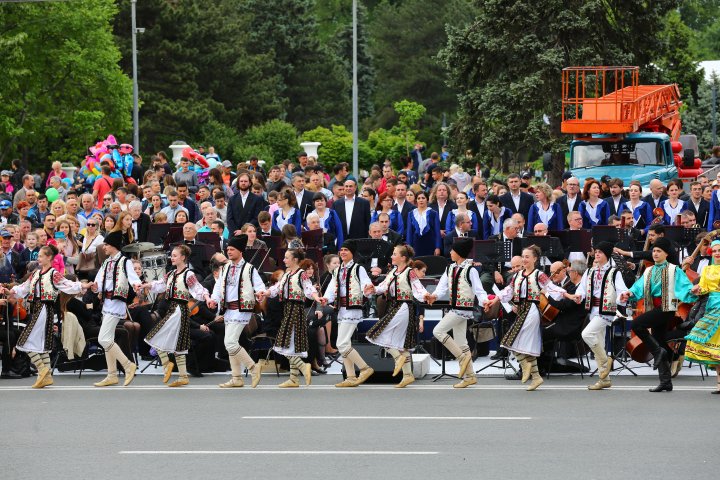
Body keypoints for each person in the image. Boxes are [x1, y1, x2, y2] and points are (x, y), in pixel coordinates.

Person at [619, 237, 697, 392]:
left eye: (658, 251)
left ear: (666, 254)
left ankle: (657, 352)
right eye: (654, 250)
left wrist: (692, 291)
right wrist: (629, 293)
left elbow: (685, 287)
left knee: (636, 324)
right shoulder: (648, 270)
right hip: (652, 307)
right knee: (660, 342)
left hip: (666, 307)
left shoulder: (674, 270)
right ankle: (666, 381)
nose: (655, 253)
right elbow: (638, 287)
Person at [0, 245, 83, 388]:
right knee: (41, 344)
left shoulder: (53, 274)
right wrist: (10, 291)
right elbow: (24, 287)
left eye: (40, 256)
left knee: (23, 341)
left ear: (49, 257)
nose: (38, 258)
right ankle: (47, 376)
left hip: (45, 308)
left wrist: (84, 286)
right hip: (38, 309)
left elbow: (68, 285)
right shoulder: (36, 274)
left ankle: (42, 369)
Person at [486, 245, 567, 391]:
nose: (524, 259)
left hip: (532, 310)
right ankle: (535, 377)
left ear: (535, 259)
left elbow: (551, 288)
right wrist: (494, 300)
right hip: (521, 311)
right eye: (523, 256)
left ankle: (526, 367)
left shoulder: (538, 274)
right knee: (515, 343)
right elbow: (508, 291)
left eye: (527, 257)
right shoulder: (517, 275)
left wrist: (568, 295)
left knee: (511, 340)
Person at [141, 245, 212, 387]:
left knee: (154, 336)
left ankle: (168, 365)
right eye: (171, 255)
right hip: (172, 309)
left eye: (174, 255)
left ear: (183, 257)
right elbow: (160, 284)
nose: (172, 258)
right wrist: (145, 285)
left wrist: (207, 297)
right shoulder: (171, 274)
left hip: (180, 309)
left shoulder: (188, 274)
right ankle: (183, 376)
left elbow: (197, 288)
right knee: (178, 345)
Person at [365, 244, 431, 388]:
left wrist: (425, 295)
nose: (392, 256)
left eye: (394, 254)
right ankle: (407, 375)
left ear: (403, 257)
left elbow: (418, 288)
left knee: (378, 333)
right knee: (401, 344)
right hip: (395, 306)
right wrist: (373, 289)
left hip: (404, 307)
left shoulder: (409, 272)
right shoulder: (393, 271)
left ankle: (399, 358)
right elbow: (383, 286)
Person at [428, 238, 489, 388]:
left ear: (459, 253)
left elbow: (478, 289)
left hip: (463, 309)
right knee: (462, 342)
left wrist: (485, 301)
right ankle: (470, 376)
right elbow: (442, 287)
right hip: (456, 309)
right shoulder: (450, 268)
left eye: (452, 250)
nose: (450, 252)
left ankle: (462, 358)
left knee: (438, 331)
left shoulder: (471, 270)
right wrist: (434, 296)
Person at [84, 231, 142, 387]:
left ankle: (128, 365)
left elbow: (133, 277)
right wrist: (95, 287)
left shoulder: (125, 262)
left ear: (114, 246)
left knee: (104, 339)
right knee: (107, 338)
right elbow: (99, 281)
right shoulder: (106, 263)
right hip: (107, 302)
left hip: (117, 301)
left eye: (107, 245)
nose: (104, 248)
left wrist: (137, 284)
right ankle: (112, 374)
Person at [207, 235, 266, 388]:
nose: (229, 252)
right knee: (230, 344)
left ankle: (253, 367)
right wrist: (213, 299)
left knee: (231, 343)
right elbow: (218, 287)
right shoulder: (225, 268)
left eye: (232, 249)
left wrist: (260, 293)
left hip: (242, 309)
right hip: (228, 310)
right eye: (227, 249)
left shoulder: (249, 269)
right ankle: (237, 378)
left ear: (240, 251)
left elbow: (259, 286)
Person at [572, 242, 629, 390]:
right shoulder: (589, 271)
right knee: (599, 343)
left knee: (587, 334)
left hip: (607, 311)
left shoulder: (614, 272)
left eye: (601, 252)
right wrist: (578, 296)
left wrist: (622, 296)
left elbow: (622, 289)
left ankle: (606, 360)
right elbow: (582, 289)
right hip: (593, 310)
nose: (597, 254)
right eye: (596, 252)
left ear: (607, 255)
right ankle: (604, 379)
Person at [319, 240, 375, 387]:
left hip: (353, 309)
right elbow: (332, 288)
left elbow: (365, 283)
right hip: (342, 309)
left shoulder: (358, 269)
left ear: (352, 253)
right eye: (341, 250)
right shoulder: (337, 270)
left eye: (346, 250)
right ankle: (351, 377)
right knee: (346, 343)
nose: (343, 252)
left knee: (341, 343)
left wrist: (367, 289)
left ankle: (364, 368)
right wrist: (326, 298)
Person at [266, 249, 323, 387]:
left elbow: (310, 289)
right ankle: (294, 378)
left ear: (295, 260)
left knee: (282, 343)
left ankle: (303, 368)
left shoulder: (301, 274)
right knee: (290, 345)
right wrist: (265, 292)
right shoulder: (286, 274)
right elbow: (276, 288)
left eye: (287, 258)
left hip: (295, 309)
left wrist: (317, 298)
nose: (284, 260)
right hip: (288, 309)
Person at [685, 240, 720, 393]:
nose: (718, 253)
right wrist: (696, 289)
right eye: (715, 251)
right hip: (712, 307)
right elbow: (704, 288)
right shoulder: (707, 270)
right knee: (712, 346)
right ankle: (719, 382)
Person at [406, 191, 441, 256]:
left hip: (430, 244)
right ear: (416, 200)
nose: (421, 200)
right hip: (416, 245)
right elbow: (409, 232)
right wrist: (408, 248)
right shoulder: (411, 214)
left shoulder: (433, 213)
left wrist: (437, 247)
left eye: (423, 198)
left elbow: (437, 232)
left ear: (427, 200)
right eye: (418, 198)